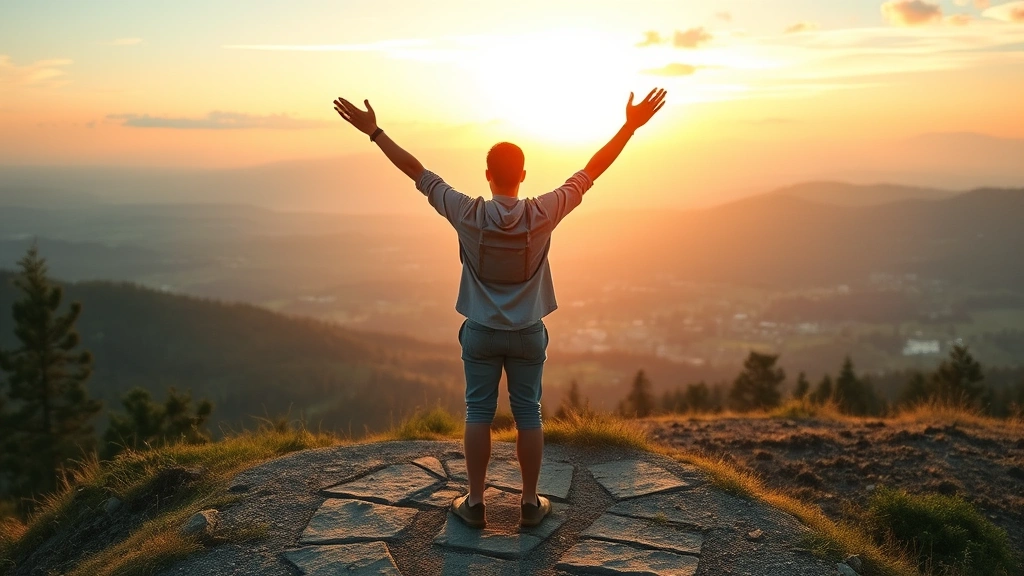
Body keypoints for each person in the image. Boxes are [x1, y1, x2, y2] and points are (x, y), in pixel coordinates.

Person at [332, 88, 667, 528]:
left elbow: (416, 171)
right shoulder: (544, 212)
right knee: (530, 414)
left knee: (478, 412)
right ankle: (529, 504)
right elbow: (591, 171)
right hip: (529, 332)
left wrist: (374, 131)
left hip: (480, 332)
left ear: (488, 175)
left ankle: (475, 503)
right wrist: (629, 126)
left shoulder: (466, 212)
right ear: (522, 175)